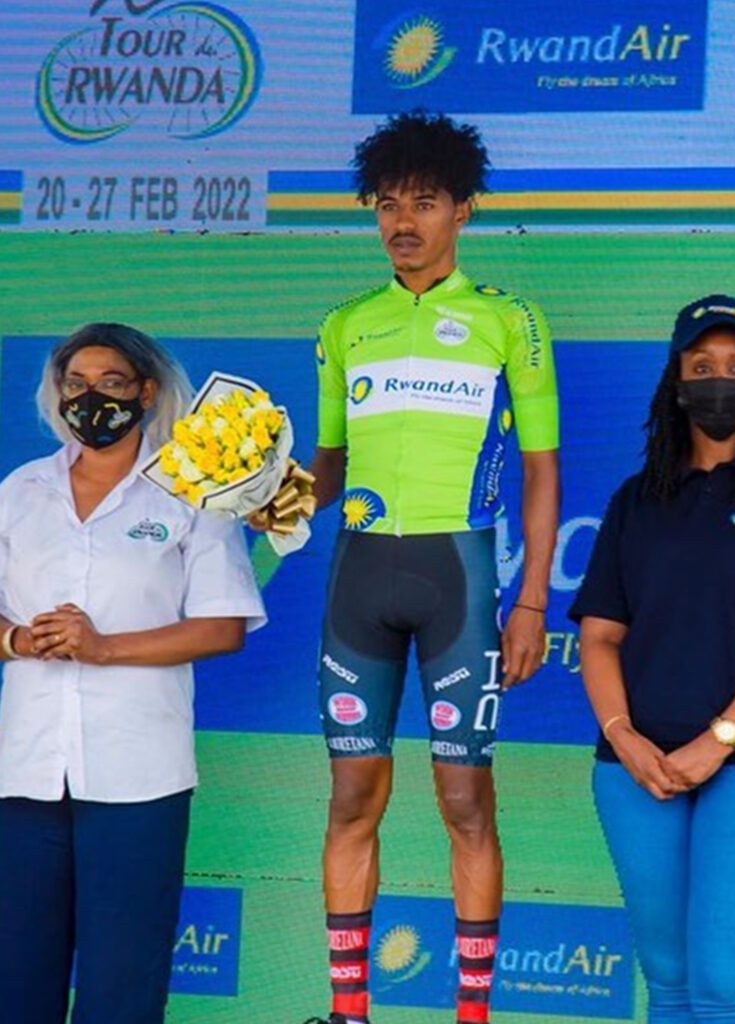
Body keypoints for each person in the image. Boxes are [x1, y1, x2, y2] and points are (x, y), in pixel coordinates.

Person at [303, 111, 560, 1024]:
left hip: (461, 577)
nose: (402, 221)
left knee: (466, 803)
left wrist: (531, 602)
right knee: (350, 800)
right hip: (360, 577)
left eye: (423, 202)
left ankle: (472, 1016)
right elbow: (328, 469)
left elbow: (541, 470)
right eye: (386, 204)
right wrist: (266, 494)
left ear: (463, 210)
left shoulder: (508, 320)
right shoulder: (345, 325)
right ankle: (348, 1013)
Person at [570, 295, 735, 1024]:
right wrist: (624, 736)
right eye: (701, 366)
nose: (719, 379)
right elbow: (599, 637)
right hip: (638, 771)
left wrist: (717, 741)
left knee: (729, 988)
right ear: (676, 382)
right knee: (671, 987)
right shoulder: (637, 499)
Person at [0, 323, 266, 1024]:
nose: (91, 399)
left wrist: (102, 648)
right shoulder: (21, 490)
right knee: (16, 977)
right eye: (76, 385)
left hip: (139, 775)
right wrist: (19, 638)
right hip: (25, 772)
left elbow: (223, 626)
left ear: (146, 393)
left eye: (111, 383)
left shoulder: (190, 494)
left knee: (123, 982)